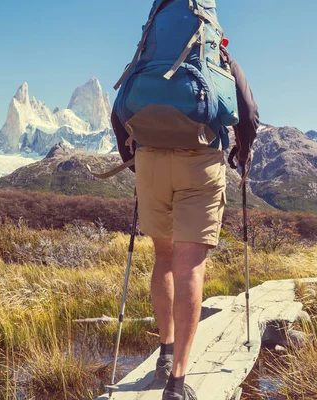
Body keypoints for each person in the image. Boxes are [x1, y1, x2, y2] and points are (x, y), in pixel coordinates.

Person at [111, 42, 259, 399]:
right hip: (201, 160)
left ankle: (164, 352)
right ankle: (177, 383)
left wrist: (130, 156)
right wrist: (242, 148)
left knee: (163, 256)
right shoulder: (220, 58)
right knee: (189, 265)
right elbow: (249, 114)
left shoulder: (148, 52)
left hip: (150, 162)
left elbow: (118, 111)